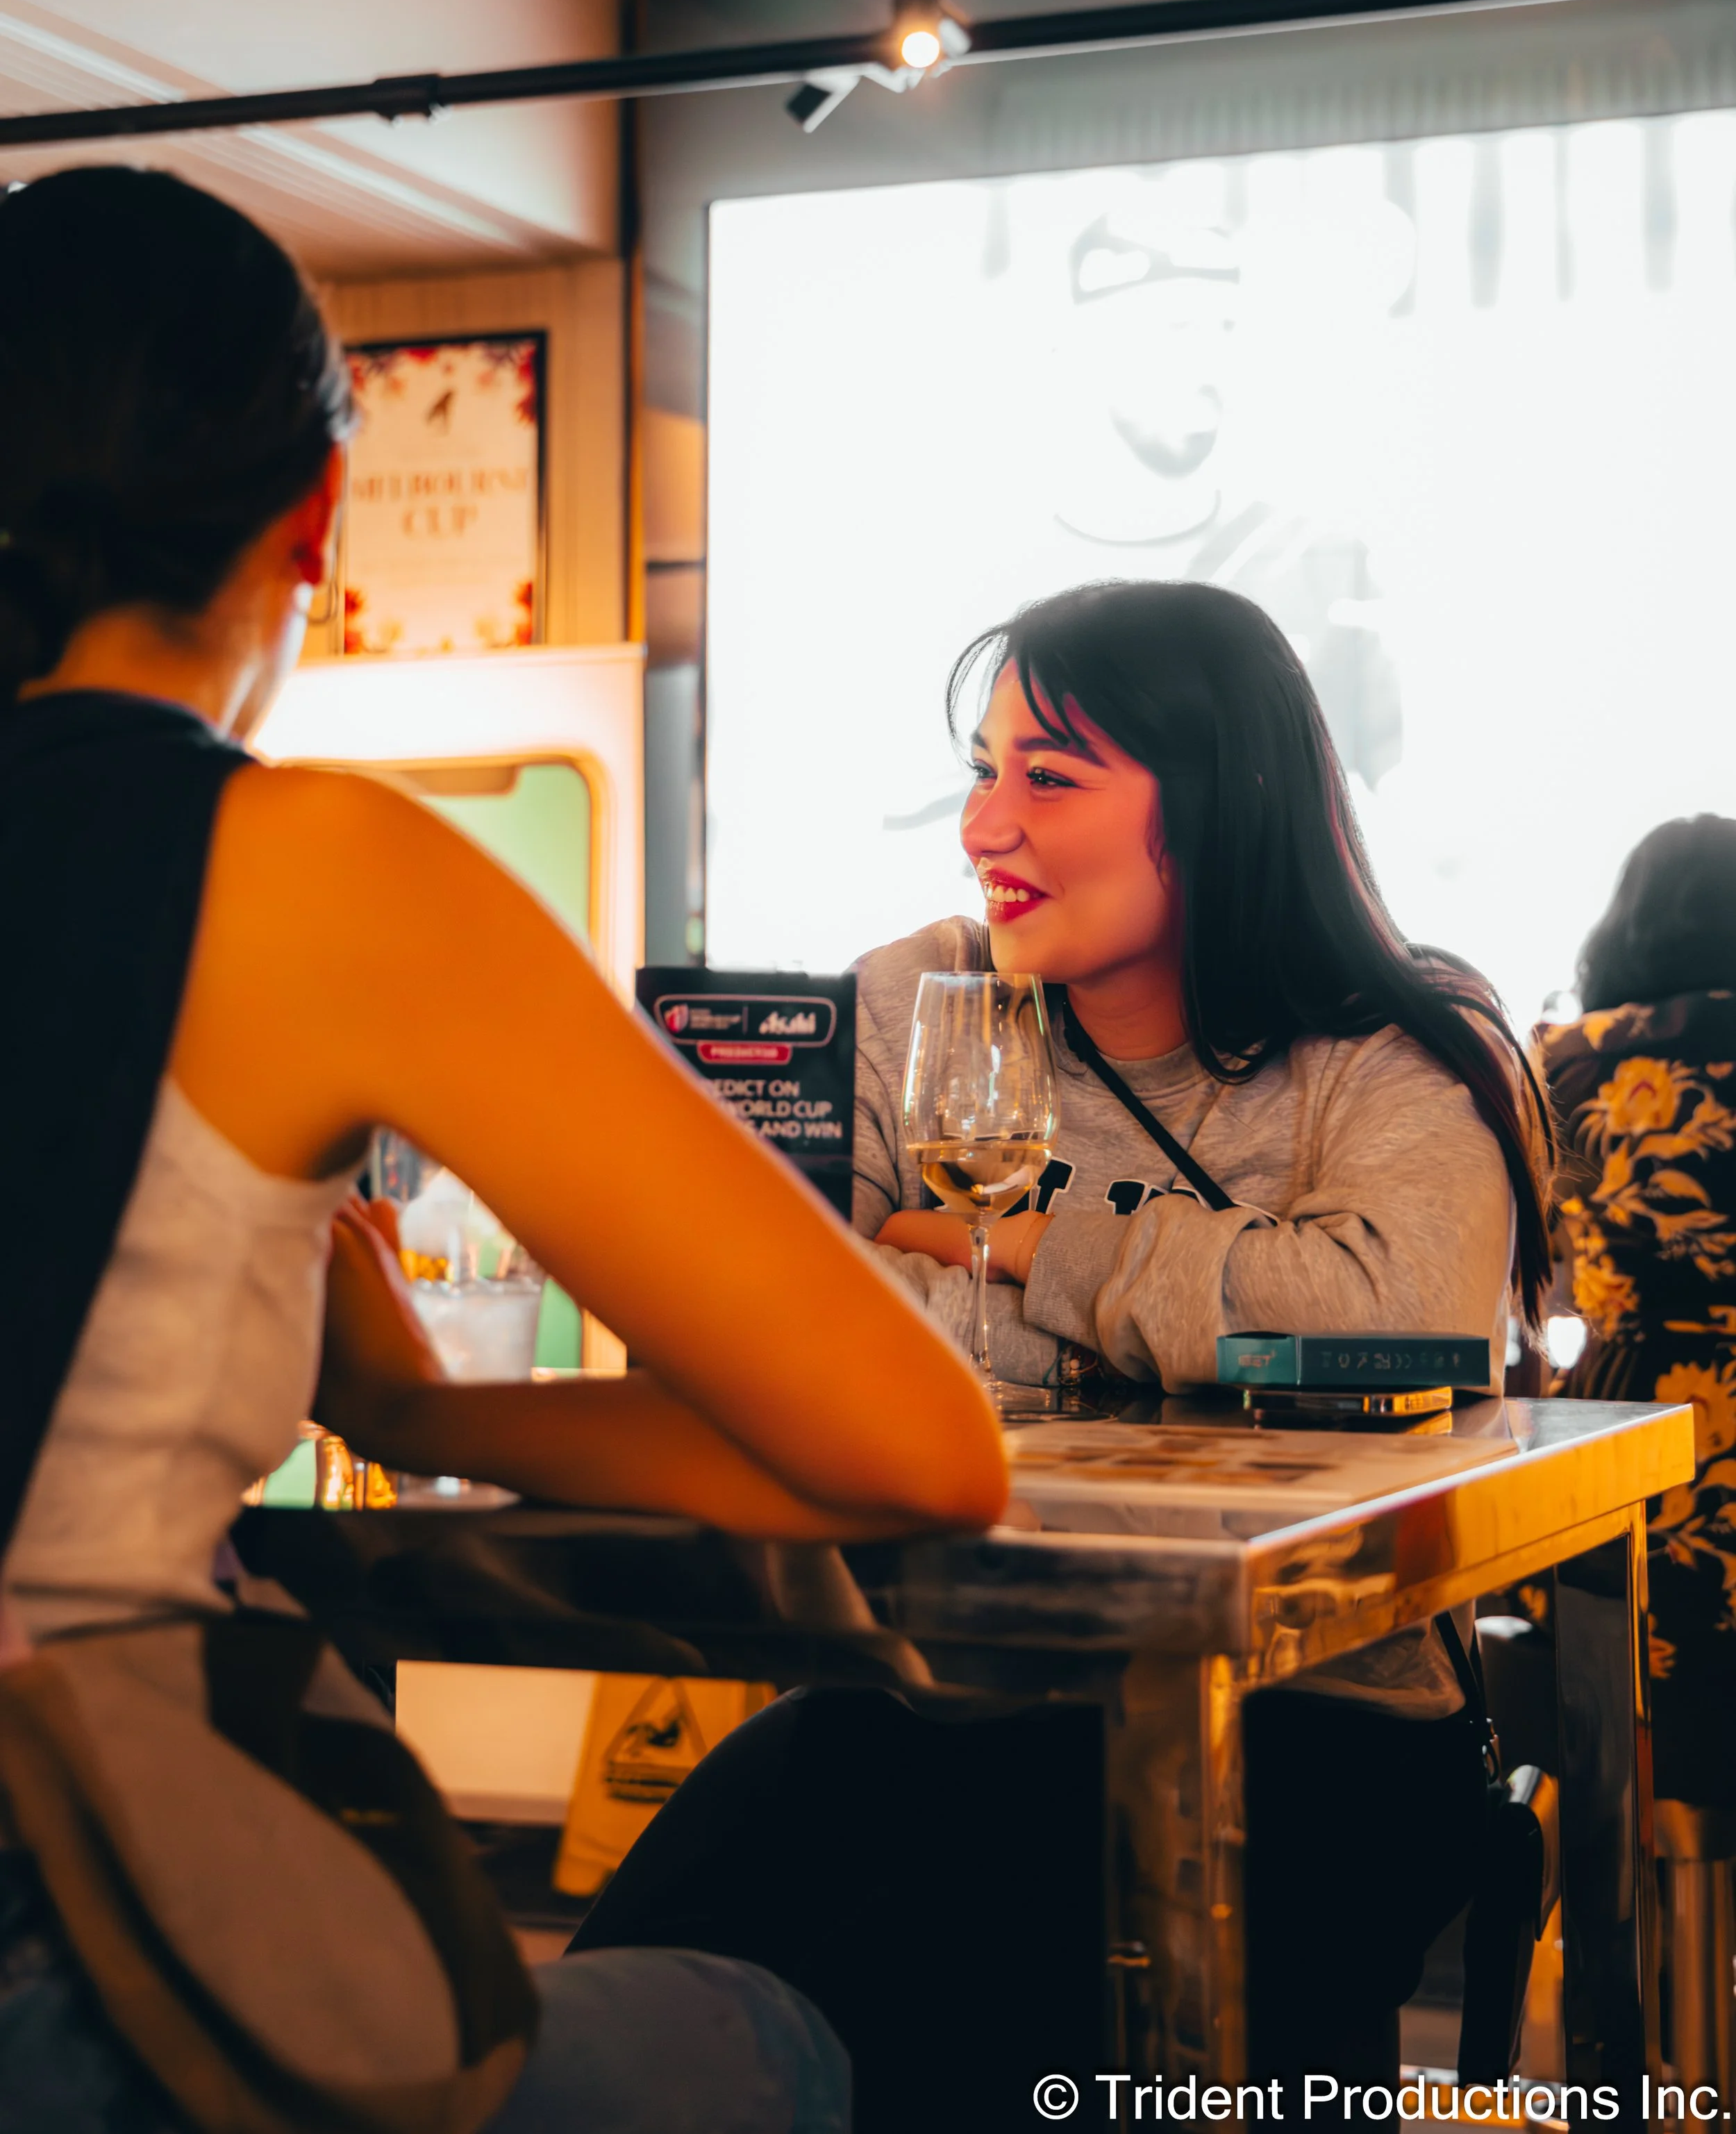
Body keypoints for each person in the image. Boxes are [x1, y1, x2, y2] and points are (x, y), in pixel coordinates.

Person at [0, 165, 1005, 2134]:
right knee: (770, 2033)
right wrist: (436, 1407)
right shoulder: (307, 867)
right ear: (316, 520)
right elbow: (921, 1449)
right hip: (71, 1943)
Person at [574, 578, 1555, 2119]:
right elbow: (776, 1317)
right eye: (981, 768)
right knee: (689, 1918)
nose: (982, 825)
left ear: (1221, 795)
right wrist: (1211, 1313)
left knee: (988, 1959)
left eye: (1048, 775)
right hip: (955, 1681)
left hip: (1314, 1711)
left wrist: (1011, 1248)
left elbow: (1392, 1317)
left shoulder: (1394, 1040)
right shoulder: (927, 998)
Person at [1535, 815, 1736, 1805]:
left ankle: (1646, 1942)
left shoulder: (1564, 1071)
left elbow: (1545, 1284)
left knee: (1634, 1747)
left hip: (1625, 1439)